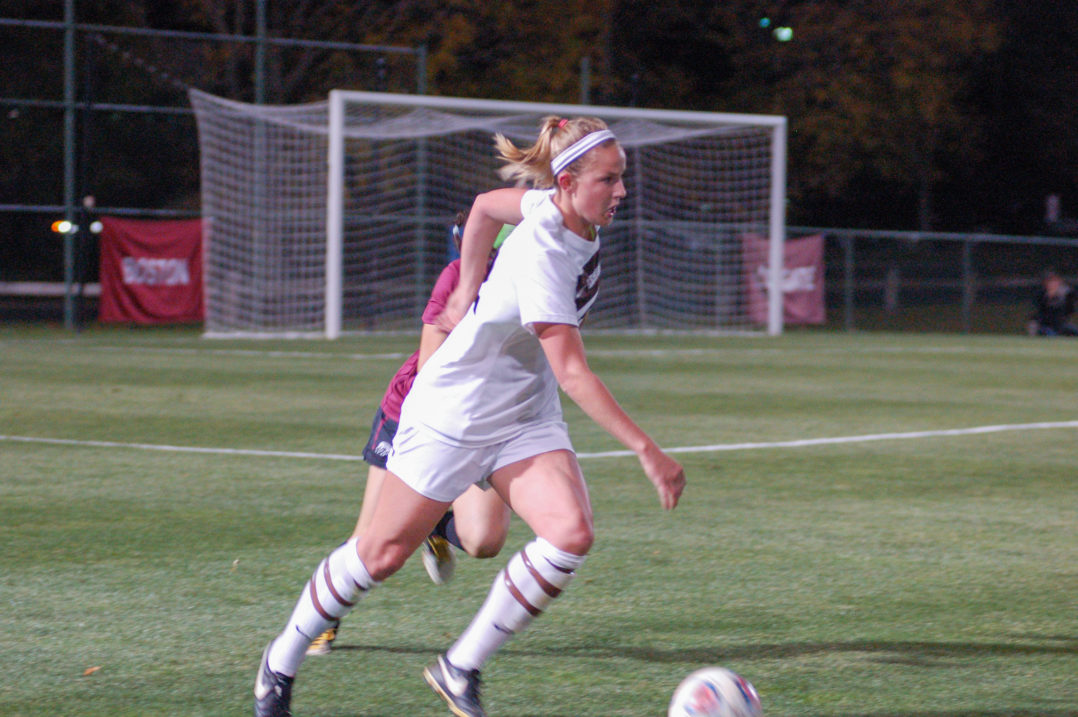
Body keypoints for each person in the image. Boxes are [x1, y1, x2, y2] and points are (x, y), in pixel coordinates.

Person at [254, 116, 686, 717]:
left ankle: (460, 668)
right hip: (454, 412)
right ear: (568, 180)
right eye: (609, 180)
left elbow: (484, 206)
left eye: (622, 178)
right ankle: (280, 661)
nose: (621, 191)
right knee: (379, 555)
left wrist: (469, 284)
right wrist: (647, 450)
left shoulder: (554, 208)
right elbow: (574, 374)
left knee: (569, 534)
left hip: (522, 414)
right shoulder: (544, 252)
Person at [304, 218, 523, 657]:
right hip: (416, 410)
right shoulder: (459, 278)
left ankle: (435, 522)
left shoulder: (540, 284)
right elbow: (430, 371)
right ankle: (320, 620)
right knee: (372, 538)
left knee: (483, 541)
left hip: (483, 420)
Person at [1028, 269, 1078, 336]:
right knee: (1050, 335)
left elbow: (1070, 310)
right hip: (1045, 325)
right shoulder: (1041, 294)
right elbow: (1040, 312)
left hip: (1061, 325)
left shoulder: (1066, 294)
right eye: (1050, 282)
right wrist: (1050, 298)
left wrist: (1064, 298)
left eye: (1054, 281)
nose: (1052, 284)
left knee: (1073, 331)